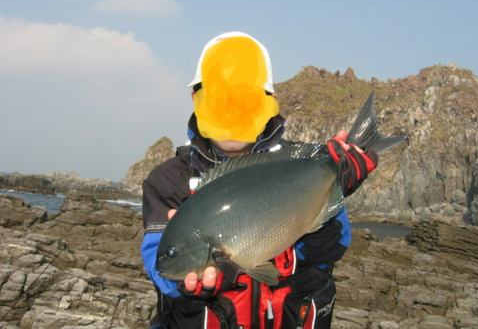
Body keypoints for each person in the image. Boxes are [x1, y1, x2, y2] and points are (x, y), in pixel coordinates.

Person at [141, 31, 378, 329]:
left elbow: (332, 249)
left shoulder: (297, 166)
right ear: (196, 100)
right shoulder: (169, 178)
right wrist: (186, 286)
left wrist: (338, 186)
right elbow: (158, 262)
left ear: (268, 103)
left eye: (243, 102)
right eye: (219, 101)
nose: (231, 115)